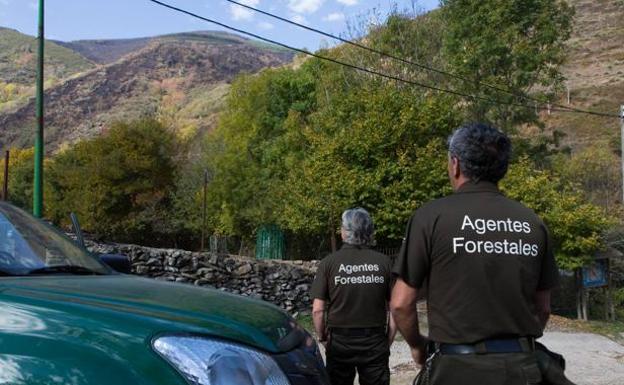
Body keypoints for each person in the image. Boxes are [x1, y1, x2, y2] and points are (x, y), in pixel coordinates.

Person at [390, 123, 561, 385]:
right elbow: (543, 308)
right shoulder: (532, 222)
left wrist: (417, 345)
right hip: (522, 370)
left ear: (455, 164)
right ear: (502, 167)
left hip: (455, 370)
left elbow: (401, 304)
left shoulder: (430, 217)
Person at [310, 208, 397, 385]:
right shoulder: (385, 262)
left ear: (344, 232)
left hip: (340, 342)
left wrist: (323, 338)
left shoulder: (329, 263)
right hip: (374, 340)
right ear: (368, 231)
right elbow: (396, 308)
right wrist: (388, 339)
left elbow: (318, 311)